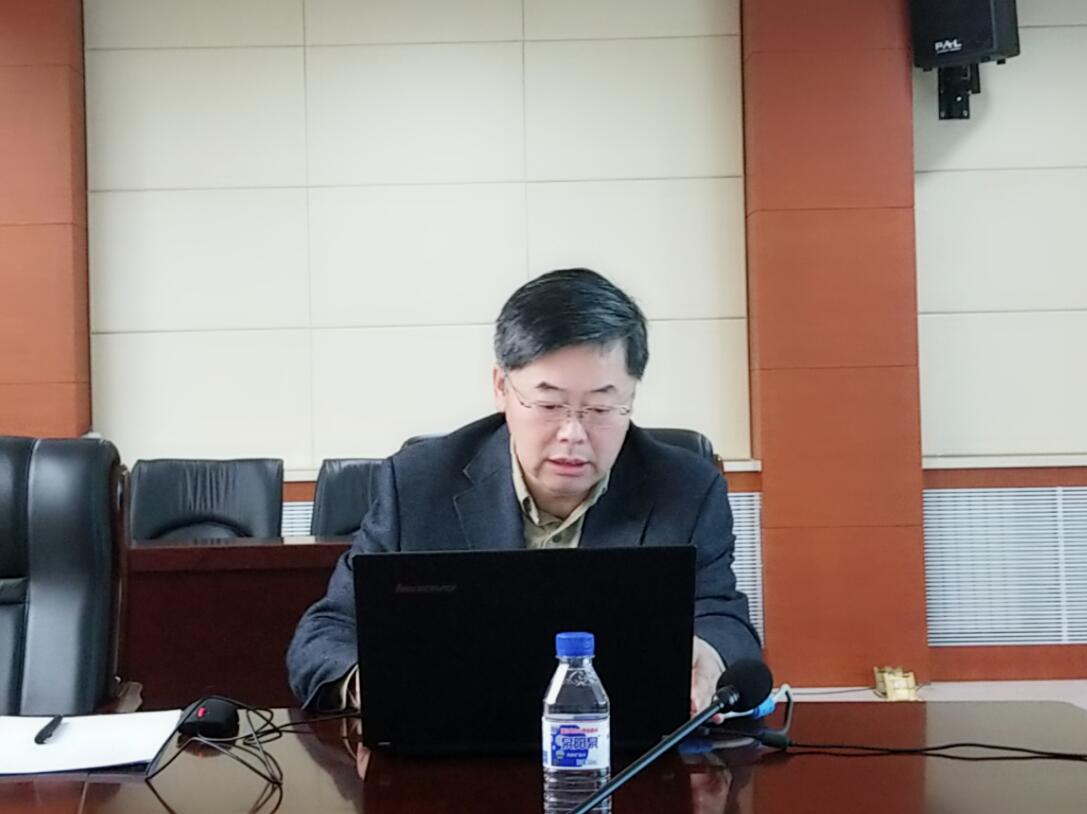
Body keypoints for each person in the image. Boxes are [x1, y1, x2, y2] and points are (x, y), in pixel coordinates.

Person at [287, 268, 762, 714]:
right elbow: (326, 632)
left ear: (631, 398)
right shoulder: (416, 485)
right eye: (549, 404)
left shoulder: (686, 489)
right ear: (501, 387)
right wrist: (372, 683)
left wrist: (708, 653)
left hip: (627, 748)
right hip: (455, 750)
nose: (573, 434)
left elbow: (725, 620)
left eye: (601, 408)